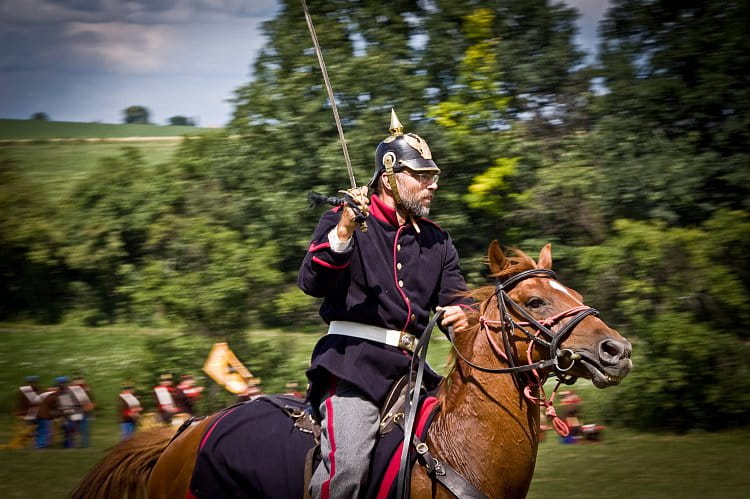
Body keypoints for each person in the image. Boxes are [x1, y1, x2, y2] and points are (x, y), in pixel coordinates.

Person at [298, 110, 471, 498]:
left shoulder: (438, 241)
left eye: (434, 176)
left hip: (413, 373)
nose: (433, 185)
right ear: (389, 177)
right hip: (352, 367)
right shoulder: (343, 219)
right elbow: (311, 282)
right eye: (422, 176)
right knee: (347, 472)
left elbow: (458, 301)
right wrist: (343, 232)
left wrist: (464, 315)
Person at [2, 375, 41, 449]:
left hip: (30, 414)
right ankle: (14, 445)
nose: (33, 384)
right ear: (27, 382)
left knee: (29, 431)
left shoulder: (35, 389)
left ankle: (22, 445)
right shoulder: (25, 390)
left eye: (35, 382)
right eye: (31, 382)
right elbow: (34, 402)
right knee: (24, 432)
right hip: (23, 414)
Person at [69, 374, 95, 447]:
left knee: (85, 429)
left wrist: (89, 408)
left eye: (80, 379)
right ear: (73, 381)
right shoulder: (70, 389)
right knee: (72, 429)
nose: (78, 381)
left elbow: (92, 401)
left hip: (85, 413)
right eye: (76, 380)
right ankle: (72, 445)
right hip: (73, 412)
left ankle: (85, 444)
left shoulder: (87, 389)